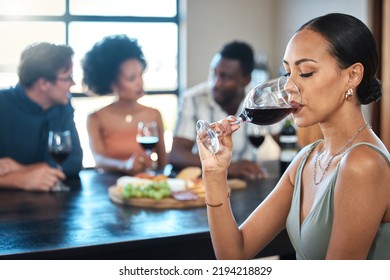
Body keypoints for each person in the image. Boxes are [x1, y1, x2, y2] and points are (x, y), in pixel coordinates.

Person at [197, 13, 390, 260]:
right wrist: (214, 174)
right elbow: (234, 254)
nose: (289, 86)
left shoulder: (363, 164)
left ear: (352, 76)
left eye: (306, 72)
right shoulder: (307, 159)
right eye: (287, 73)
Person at [170, 41, 280, 179]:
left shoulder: (260, 99)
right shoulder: (192, 99)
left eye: (225, 76)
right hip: (205, 184)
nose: (215, 83)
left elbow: (288, 141)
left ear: (246, 80)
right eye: (213, 73)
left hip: (247, 182)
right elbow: (176, 154)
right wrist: (229, 167)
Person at [0, 42, 83, 191]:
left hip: (54, 206)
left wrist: (20, 168)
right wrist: (20, 180)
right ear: (43, 83)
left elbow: (74, 162)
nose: (73, 83)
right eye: (68, 77)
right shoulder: (2, 104)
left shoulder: (63, 107)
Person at [82, 35, 167, 175]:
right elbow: (98, 159)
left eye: (141, 75)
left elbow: (163, 163)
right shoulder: (96, 118)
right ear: (113, 83)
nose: (140, 82)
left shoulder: (154, 114)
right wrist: (124, 165)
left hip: (145, 187)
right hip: (108, 187)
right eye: (131, 78)